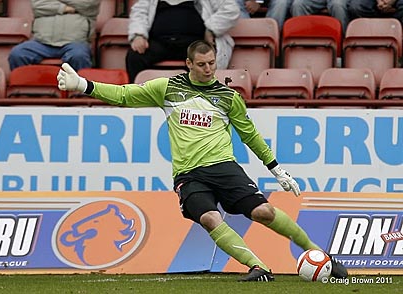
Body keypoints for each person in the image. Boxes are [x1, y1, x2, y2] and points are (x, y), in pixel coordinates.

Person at [57, 40, 348, 282]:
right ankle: (258, 267)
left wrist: (276, 169)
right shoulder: (167, 88)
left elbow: (250, 136)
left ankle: (322, 255)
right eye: (202, 64)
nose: (209, 69)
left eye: (212, 63)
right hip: (189, 175)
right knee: (210, 218)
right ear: (189, 64)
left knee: (264, 212)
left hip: (225, 167)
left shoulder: (229, 98)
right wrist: (83, 85)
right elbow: (124, 95)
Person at [126, 0, 240, 83]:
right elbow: (139, 12)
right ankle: (138, 98)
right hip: (159, 42)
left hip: (194, 43)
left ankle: (196, 101)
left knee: (202, 58)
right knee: (135, 56)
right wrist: (138, 34)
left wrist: (211, 29)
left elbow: (231, 10)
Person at [8, 0, 101, 71]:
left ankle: (81, 93)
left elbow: (89, 3)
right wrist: (64, 8)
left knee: (79, 55)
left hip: (75, 43)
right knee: (17, 53)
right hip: (42, 42)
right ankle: (24, 90)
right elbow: (37, 5)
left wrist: (53, 5)